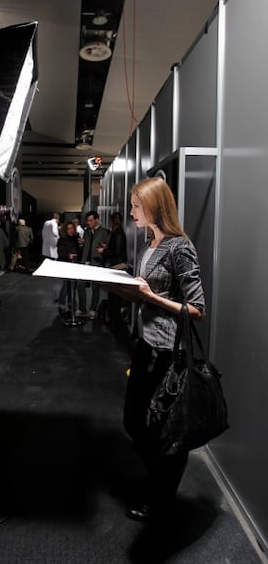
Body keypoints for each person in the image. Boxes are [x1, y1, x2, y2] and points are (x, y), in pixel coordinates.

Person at [107, 177, 205, 523]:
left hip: (168, 352)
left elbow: (197, 309)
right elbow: (144, 295)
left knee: (161, 429)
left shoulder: (180, 247)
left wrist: (149, 297)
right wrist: (118, 287)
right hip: (146, 344)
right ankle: (159, 479)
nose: (130, 211)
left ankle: (161, 494)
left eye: (135, 205)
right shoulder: (151, 241)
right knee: (134, 421)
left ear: (154, 207)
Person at [76, 210, 110, 319]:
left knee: (95, 288)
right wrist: (81, 245)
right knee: (80, 285)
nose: (88, 222)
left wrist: (105, 249)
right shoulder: (86, 232)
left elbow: (108, 249)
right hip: (85, 263)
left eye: (90, 220)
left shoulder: (105, 232)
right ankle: (82, 309)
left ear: (96, 220)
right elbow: (85, 247)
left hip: (97, 263)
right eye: (87, 220)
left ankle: (93, 309)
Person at [102, 212, 127, 325]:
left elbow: (116, 251)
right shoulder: (119, 232)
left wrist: (105, 251)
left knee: (114, 294)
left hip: (116, 265)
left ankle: (114, 319)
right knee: (115, 294)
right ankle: (114, 318)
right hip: (118, 265)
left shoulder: (117, 233)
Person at [56, 221, 80, 316]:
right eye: (68, 229)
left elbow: (80, 250)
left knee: (72, 286)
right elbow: (60, 253)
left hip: (75, 264)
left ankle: (72, 305)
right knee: (66, 285)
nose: (70, 230)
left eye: (72, 228)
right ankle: (61, 305)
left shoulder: (76, 238)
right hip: (65, 265)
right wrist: (68, 255)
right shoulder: (62, 240)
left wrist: (81, 244)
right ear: (65, 230)